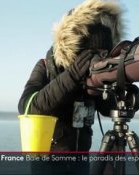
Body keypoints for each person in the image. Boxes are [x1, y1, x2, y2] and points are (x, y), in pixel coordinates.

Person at [18, 0, 123, 174]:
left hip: (81, 159)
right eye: (91, 53)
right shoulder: (46, 66)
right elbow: (28, 106)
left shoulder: (94, 74)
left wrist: (110, 82)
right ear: (76, 48)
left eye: (102, 54)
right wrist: (72, 75)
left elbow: (108, 109)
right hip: (48, 160)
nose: (95, 59)